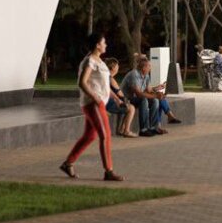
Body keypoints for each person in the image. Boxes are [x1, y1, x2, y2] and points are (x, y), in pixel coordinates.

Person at [60, 33, 123, 181]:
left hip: (98, 103)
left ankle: (68, 163)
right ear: (97, 45)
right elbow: (82, 82)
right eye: (104, 42)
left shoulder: (99, 61)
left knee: (90, 136)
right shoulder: (90, 61)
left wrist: (115, 98)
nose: (106, 45)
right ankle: (108, 171)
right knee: (105, 135)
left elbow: (103, 85)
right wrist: (95, 98)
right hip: (93, 104)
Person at [121, 56, 166, 136]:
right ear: (144, 68)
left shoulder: (146, 75)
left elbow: (148, 90)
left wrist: (158, 88)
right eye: (149, 66)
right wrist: (155, 96)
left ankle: (153, 127)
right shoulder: (134, 75)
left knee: (155, 101)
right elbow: (138, 93)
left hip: (136, 98)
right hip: (126, 99)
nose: (150, 68)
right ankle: (143, 129)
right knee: (144, 100)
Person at [103, 58, 135, 137]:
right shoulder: (110, 79)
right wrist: (123, 100)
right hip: (107, 103)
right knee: (131, 108)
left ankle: (121, 129)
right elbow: (120, 94)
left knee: (126, 105)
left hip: (104, 102)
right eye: (117, 66)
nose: (118, 67)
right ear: (113, 67)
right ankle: (126, 131)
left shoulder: (105, 77)